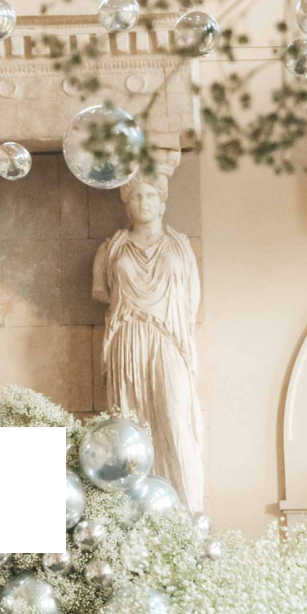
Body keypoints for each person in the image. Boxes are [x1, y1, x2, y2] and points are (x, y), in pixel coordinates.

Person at [93, 149, 204, 510]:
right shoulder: (111, 249)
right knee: (130, 425)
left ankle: (188, 516)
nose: (143, 201)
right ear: (127, 202)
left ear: (162, 201)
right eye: (136, 195)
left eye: (151, 195)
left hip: (168, 339)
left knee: (175, 419)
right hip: (127, 339)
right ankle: (134, 518)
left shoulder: (180, 247)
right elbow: (102, 292)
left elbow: (192, 302)